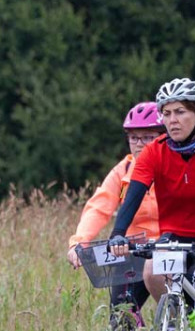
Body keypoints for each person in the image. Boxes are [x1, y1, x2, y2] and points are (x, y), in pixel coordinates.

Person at [108, 78, 195, 331]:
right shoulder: (154, 152)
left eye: (180, 112)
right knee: (150, 272)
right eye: (167, 114)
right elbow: (132, 198)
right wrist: (118, 235)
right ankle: (175, 321)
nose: (173, 120)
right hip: (175, 235)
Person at [67, 101, 164, 312]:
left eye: (148, 137)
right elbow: (98, 207)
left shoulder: (175, 166)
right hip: (133, 249)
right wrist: (79, 242)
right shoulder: (124, 170)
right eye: (134, 138)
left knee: (175, 311)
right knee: (121, 312)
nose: (140, 144)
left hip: (170, 247)